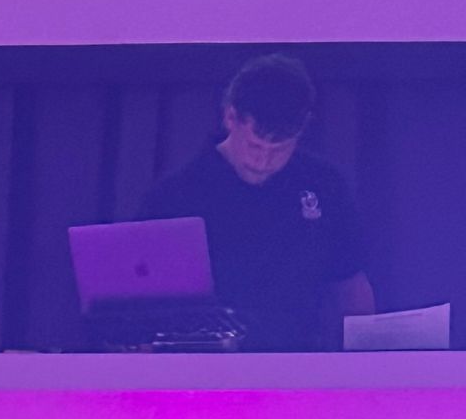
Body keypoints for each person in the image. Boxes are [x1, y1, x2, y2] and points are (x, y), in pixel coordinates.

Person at [141, 53, 376, 350]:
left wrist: (364, 363)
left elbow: (350, 286)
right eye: (255, 145)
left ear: (302, 130)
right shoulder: (177, 195)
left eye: (279, 149)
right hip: (200, 372)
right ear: (230, 117)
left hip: (298, 368)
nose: (264, 160)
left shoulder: (325, 186)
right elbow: (142, 304)